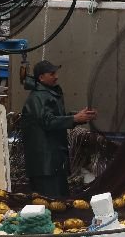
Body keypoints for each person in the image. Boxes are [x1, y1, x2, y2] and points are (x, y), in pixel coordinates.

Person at [19, 59, 96, 199]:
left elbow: (55, 118)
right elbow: (47, 122)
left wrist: (78, 117)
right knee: (51, 202)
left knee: (59, 202)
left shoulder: (46, 94)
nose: (56, 76)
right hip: (45, 166)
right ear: (41, 77)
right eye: (52, 73)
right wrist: (74, 119)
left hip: (51, 163)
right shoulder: (38, 97)